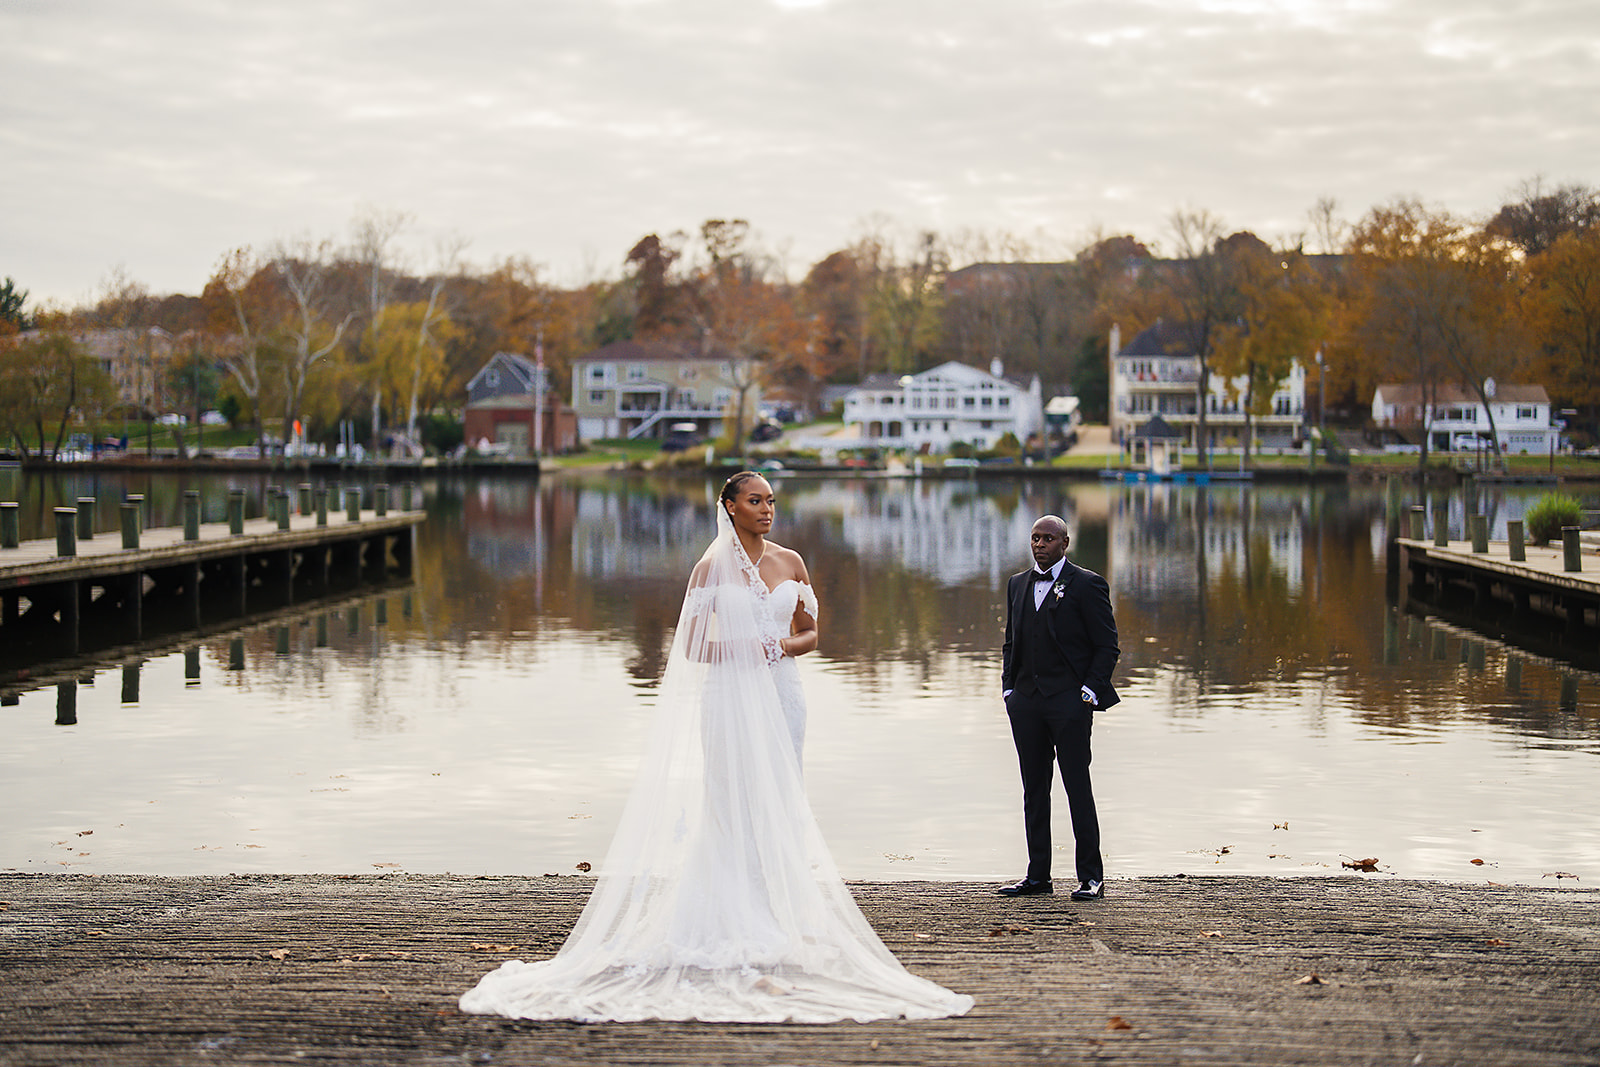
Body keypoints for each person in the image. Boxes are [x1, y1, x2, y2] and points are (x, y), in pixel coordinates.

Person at [460, 472, 972, 1023]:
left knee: (780, 801)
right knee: (730, 803)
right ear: (729, 507)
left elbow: (811, 635)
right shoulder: (709, 568)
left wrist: (776, 645)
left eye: (771, 501)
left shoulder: (791, 562)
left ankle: (776, 913)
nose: (767, 510)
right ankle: (729, 916)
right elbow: (693, 645)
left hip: (782, 697)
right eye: (755, 501)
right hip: (728, 698)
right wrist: (742, 648)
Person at [998, 514, 1120, 901]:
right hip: (1026, 703)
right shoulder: (1017, 584)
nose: (1040, 544)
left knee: (1076, 786)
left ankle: (1091, 878)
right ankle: (1038, 877)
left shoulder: (1087, 584)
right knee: (1034, 790)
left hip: (1069, 702)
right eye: (1035, 538)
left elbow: (1107, 646)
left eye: (1048, 538)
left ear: (1065, 543)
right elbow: (1011, 643)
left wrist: (1087, 692)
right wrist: (1008, 691)